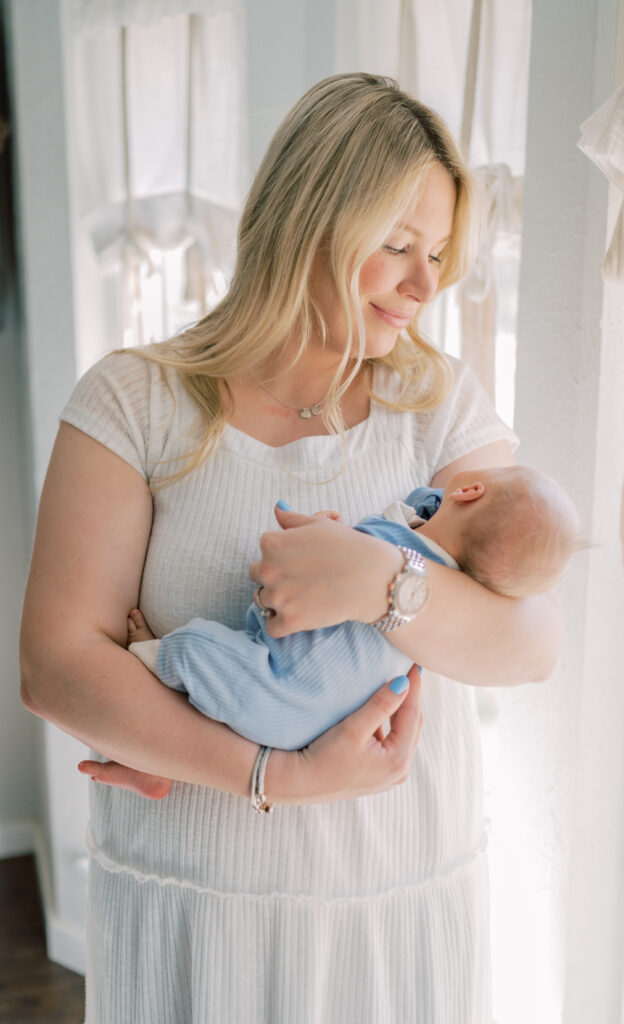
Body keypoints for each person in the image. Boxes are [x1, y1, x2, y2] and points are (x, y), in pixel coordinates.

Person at [20, 73, 562, 1023]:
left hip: (392, 899)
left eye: (435, 253)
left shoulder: (436, 404)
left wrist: (383, 581)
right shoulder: (133, 401)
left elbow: (528, 646)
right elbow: (55, 667)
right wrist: (280, 777)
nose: (424, 284)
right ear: (305, 219)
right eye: (396, 246)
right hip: (197, 900)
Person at [112, 465, 577, 777]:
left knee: (195, 647)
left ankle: (150, 656)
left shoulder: (390, 542)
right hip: (324, 724)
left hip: (277, 689)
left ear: (470, 489)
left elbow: (324, 560)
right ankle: (154, 758)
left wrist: (318, 533)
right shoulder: (453, 611)